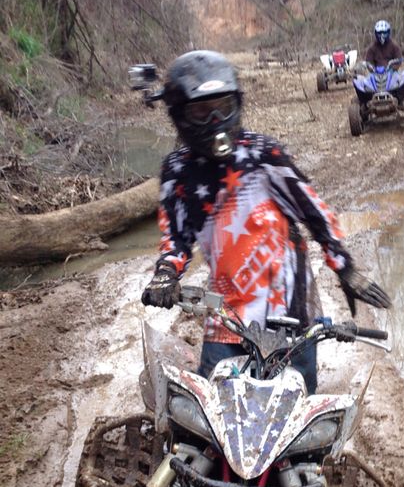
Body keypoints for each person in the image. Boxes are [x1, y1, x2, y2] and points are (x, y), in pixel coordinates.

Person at [141, 50, 391, 393]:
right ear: (180, 116)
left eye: (223, 107)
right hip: (228, 310)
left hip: (290, 305)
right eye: (201, 111)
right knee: (213, 405)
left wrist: (345, 268)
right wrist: (165, 275)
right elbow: (176, 238)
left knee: (296, 407)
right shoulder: (177, 172)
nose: (215, 120)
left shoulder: (263, 154)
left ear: (237, 105)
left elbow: (314, 212)